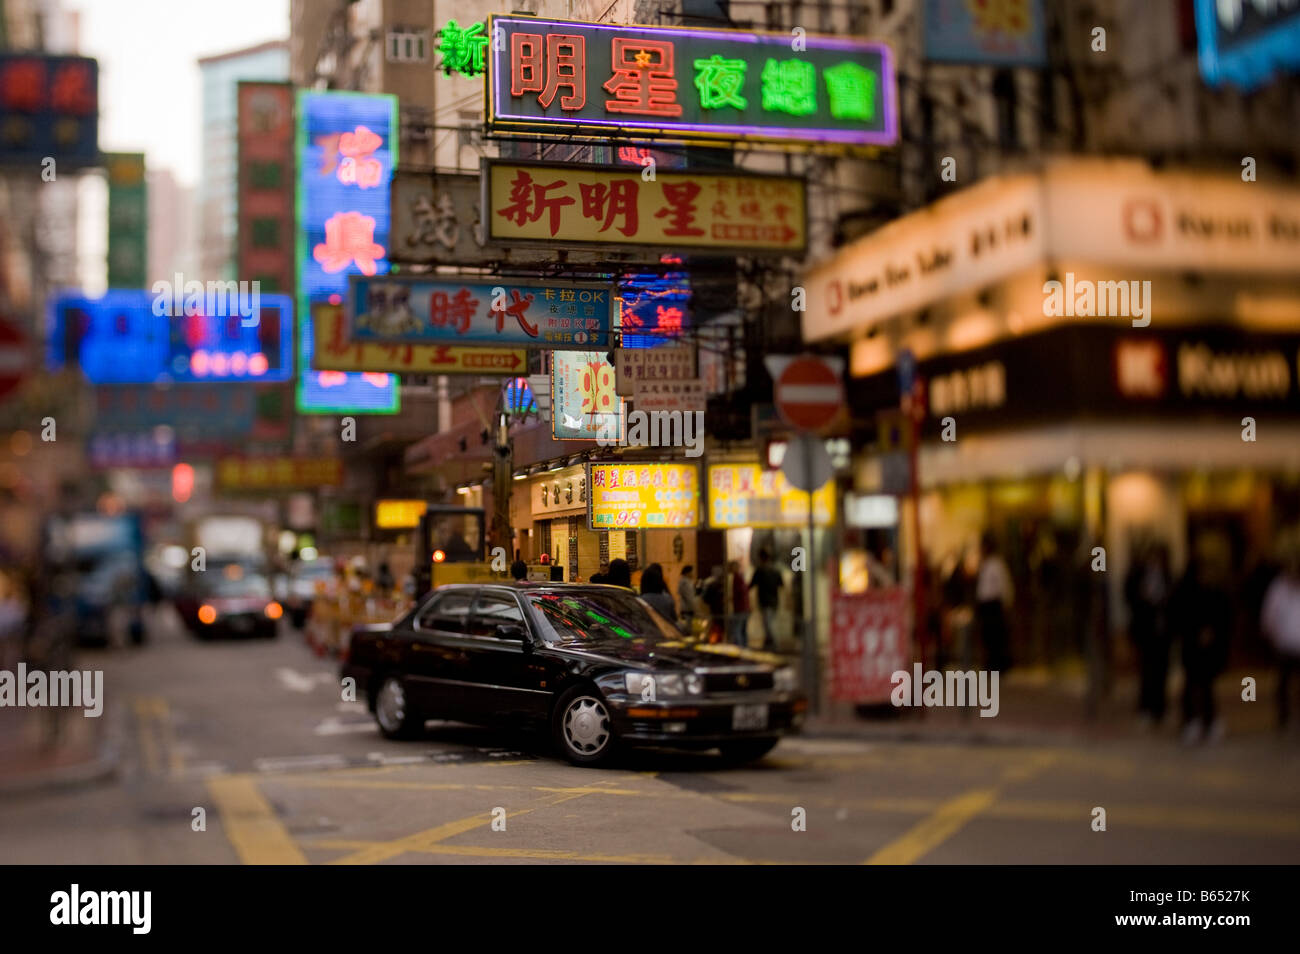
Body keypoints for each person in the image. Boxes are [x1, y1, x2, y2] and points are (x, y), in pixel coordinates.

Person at [1170, 543, 1234, 744]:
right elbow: (1178, 615)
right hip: (1192, 645)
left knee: (1206, 684)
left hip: (1208, 648)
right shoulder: (1185, 589)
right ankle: (1192, 721)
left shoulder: (1215, 589)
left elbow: (1225, 615)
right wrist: (1195, 632)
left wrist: (1213, 632)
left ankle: (1208, 720)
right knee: (1192, 684)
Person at [1124, 541, 1173, 727]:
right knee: (1147, 670)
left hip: (1163, 632)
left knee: (1161, 671)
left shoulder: (1168, 576)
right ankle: (1146, 707)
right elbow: (1129, 596)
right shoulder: (1139, 575)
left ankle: (1160, 708)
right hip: (1146, 631)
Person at [1261, 536, 1300, 731]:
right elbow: (1270, 614)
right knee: (1284, 683)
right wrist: (1271, 634)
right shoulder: (1278, 588)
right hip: (1285, 644)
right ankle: (1284, 716)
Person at [975, 532, 1013, 672]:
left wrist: (1006, 604)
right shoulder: (986, 564)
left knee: (996, 638)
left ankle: (998, 666)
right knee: (989, 637)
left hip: (994, 605)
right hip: (986, 606)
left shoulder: (997, 564)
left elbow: (1004, 586)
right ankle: (991, 665)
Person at [748, 550, 783, 652]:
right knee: (770, 623)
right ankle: (770, 644)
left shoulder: (759, 571)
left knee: (767, 623)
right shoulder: (776, 570)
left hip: (764, 601)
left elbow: (751, 585)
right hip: (774, 601)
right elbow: (781, 586)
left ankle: (773, 644)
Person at [727, 559, 751, 647]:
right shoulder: (740, 577)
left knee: (737, 630)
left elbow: (737, 593)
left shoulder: (735, 578)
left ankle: (740, 650)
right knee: (742, 631)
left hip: (739, 607)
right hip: (744, 607)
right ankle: (744, 649)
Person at [677, 565, 697, 634]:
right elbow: (689, 597)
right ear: (687, 573)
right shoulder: (685, 583)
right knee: (688, 629)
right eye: (691, 572)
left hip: (687, 608)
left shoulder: (686, 582)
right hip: (687, 609)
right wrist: (695, 609)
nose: (692, 574)